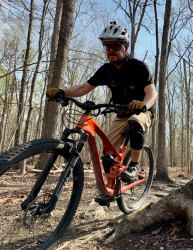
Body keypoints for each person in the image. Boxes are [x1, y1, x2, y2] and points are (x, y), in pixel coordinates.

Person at [46, 21, 157, 204]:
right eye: (107, 46)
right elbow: (84, 87)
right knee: (107, 155)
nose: (111, 50)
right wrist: (62, 92)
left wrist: (143, 105)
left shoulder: (139, 67)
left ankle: (135, 167)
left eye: (115, 46)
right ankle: (110, 190)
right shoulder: (106, 71)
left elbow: (152, 92)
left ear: (125, 47)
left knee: (135, 123)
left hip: (142, 111)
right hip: (120, 113)